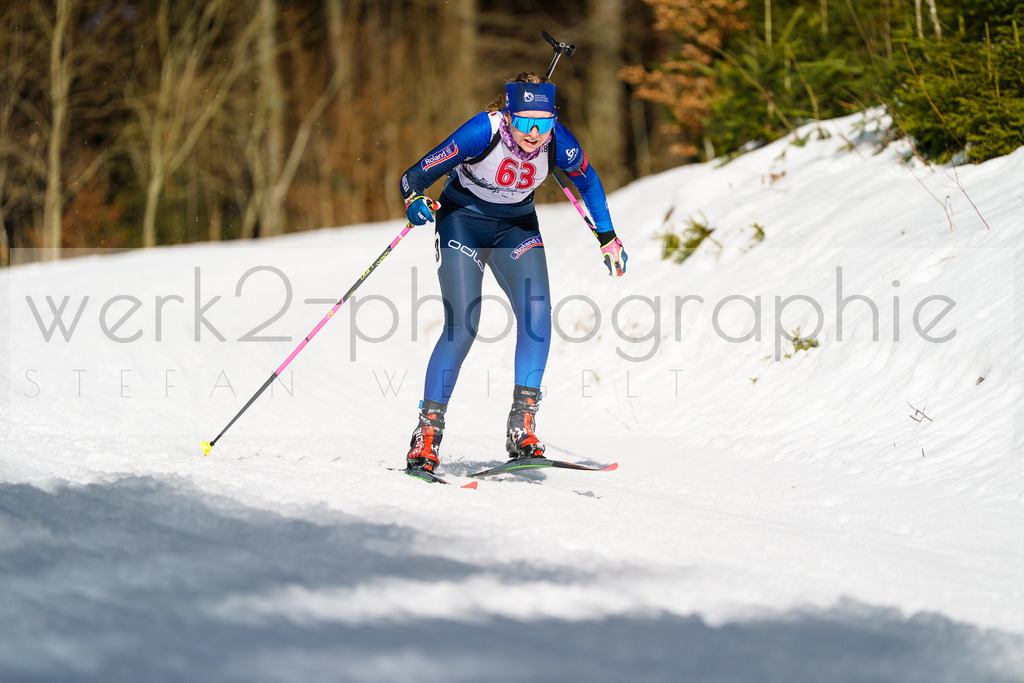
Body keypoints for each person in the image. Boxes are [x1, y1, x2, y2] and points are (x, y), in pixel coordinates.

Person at [399, 72, 627, 474]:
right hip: (462, 223)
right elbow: (414, 175)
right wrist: (415, 199)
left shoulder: (558, 142)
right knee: (464, 323)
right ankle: (428, 434)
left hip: (516, 228)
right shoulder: (480, 132)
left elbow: (589, 182)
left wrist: (607, 236)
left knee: (538, 313)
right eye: (525, 123)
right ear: (509, 116)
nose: (535, 134)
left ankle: (522, 425)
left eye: (544, 123)